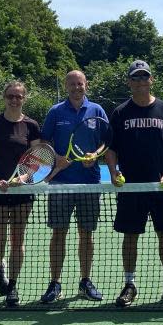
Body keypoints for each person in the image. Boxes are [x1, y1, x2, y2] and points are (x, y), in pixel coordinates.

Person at [104, 60, 163, 307]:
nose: (141, 82)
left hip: (162, 187)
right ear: (130, 82)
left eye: (145, 77)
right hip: (131, 188)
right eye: (136, 78)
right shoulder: (120, 113)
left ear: (151, 80)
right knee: (130, 236)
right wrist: (113, 171)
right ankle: (130, 284)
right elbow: (111, 148)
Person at [38, 70, 108, 304]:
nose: (77, 87)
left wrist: (95, 155)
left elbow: (106, 142)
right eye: (72, 84)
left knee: (86, 235)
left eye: (80, 83)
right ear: (65, 86)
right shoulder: (55, 112)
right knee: (59, 233)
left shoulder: (97, 111)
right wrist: (55, 157)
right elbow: (44, 142)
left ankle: (85, 281)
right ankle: (55, 283)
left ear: (86, 85)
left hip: (89, 183)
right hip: (60, 184)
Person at [0, 80, 42, 308]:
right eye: (10, 96)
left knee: (17, 239)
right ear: (4, 97)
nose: (14, 100)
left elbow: (35, 159)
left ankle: (13, 285)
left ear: (24, 98)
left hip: (22, 191)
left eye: (18, 96)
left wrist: (22, 179)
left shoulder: (32, 125)